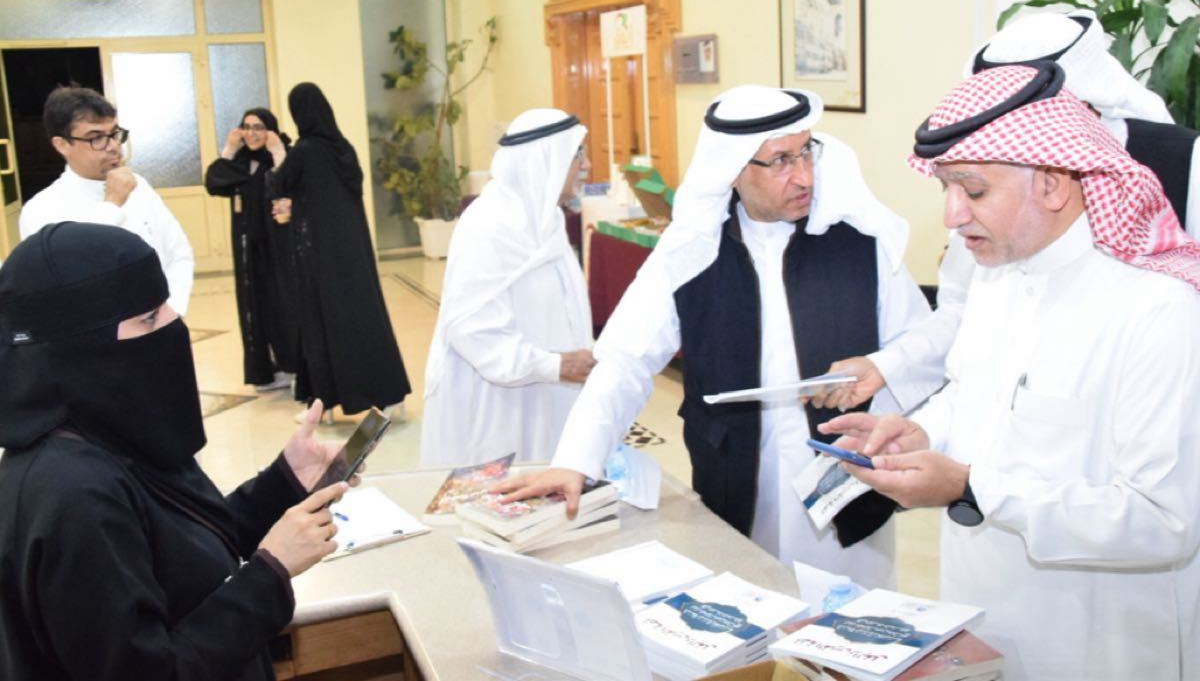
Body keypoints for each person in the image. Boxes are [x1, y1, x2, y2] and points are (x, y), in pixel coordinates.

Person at [821, 62, 1200, 680]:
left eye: (973, 191)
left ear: (1052, 183)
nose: (951, 215)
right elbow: (970, 391)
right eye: (945, 188)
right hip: (981, 610)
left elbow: (1165, 521)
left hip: (1094, 640)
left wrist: (970, 488)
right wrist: (921, 431)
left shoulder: (1157, 308)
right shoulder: (997, 275)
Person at [495, 85, 942, 588]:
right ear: (732, 170)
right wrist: (575, 461)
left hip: (846, 487)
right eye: (781, 161)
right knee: (753, 607)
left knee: (851, 613)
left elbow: (920, 346)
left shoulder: (859, 243)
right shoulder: (691, 250)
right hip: (734, 477)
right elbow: (625, 362)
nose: (804, 175)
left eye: (806, 152)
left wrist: (881, 378)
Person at [0, 222, 358, 680]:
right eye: (149, 318)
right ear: (80, 346)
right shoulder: (73, 497)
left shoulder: (109, 429)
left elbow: (183, 549)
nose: (174, 322)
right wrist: (269, 574)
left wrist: (284, 481)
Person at [811, 10, 1200, 413]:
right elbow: (964, 311)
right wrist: (888, 366)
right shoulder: (983, 184)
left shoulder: (1183, 161)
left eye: (976, 191)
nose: (955, 213)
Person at [419, 109, 596, 467]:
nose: (587, 166)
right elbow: (472, 329)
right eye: (577, 155)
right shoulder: (490, 225)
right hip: (497, 404)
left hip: (549, 392)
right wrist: (552, 365)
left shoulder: (547, 219)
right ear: (544, 160)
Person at [267, 82, 410, 419]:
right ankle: (389, 393)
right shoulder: (342, 148)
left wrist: (277, 153)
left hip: (319, 255)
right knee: (365, 317)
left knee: (321, 322)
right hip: (352, 253)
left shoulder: (305, 151)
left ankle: (324, 401)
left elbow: (278, 185)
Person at [19, 85, 195, 316]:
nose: (113, 146)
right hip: (97, 331)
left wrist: (172, 310)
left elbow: (178, 252)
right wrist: (112, 204)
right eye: (96, 138)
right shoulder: (42, 209)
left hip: (163, 320)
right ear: (62, 145)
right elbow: (73, 277)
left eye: (114, 134)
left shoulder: (139, 186)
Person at [205, 107, 300, 392]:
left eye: (259, 127)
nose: (252, 134)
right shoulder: (242, 161)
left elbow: (290, 185)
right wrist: (230, 149)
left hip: (280, 247)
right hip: (249, 250)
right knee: (254, 306)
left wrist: (278, 151)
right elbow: (214, 182)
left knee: (284, 304)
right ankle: (267, 371)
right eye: (246, 127)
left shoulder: (284, 156)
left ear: (271, 130)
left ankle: (295, 367)